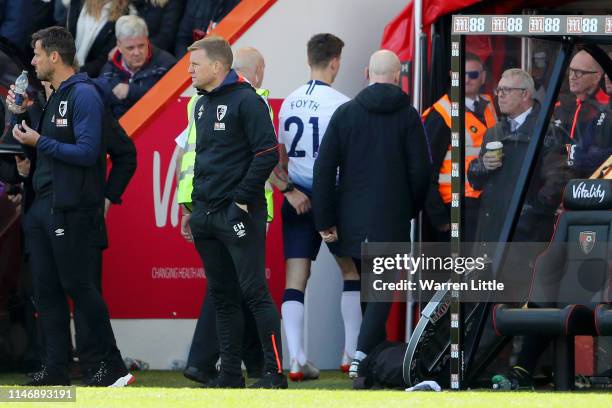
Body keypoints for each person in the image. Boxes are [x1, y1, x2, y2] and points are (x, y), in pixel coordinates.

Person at [8, 26, 133, 387]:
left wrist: (40, 142)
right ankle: (55, 367)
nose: (31, 61)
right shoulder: (52, 99)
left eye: (36, 54)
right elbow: (49, 154)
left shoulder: (85, 95)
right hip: (41, 208)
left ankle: (112, 367)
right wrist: (29, 159)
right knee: (45, 292)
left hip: (72, 210)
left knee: (79, 286)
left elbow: (87, 152)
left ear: (54, 56)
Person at [312, 50, 431, 379]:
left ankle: (365, 365)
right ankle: (364, 355)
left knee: (370, 288)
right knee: (382, 289)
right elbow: (421, 171)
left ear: (367, 72)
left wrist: (324, 221)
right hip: (391, 216)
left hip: (352, 218)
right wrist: (410, 208)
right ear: (397, 75)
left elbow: (324, 171)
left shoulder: (346, 113)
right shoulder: (409, 117)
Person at [184, 35, 285, 389]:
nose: (189, 72)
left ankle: (274, 373)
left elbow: (268, 153)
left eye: (195, 65)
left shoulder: (248, 101)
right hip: (206, 216)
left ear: (217, 66)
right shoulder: (200, 104)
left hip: (238, 214)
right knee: (223, 297)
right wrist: (195, 207)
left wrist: (241, 200)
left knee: (254, 293)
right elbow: (201, 159)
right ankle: (229, 374)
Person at [268, 33, 361, 381]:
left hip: (298, 198)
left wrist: (290, 189)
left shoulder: (289, 102)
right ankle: (350, 355)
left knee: (295, 280)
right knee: (351, 272)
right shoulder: (343, 103)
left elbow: (279, 160)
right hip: (334, 198)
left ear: (309, 60)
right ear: (335, 62)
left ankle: (296, 359)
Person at [423, 52, 497, 243]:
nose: (467, 79)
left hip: (487, 203)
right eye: (461, 74)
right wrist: (439, 216)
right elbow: (425, 169)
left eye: (472, 75)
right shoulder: (441, 114)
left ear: (483, 77)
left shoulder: (491, 105)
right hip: (455, 208)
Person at [99, 14, 176, 118]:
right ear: (119, 46)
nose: (137, 52)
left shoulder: (166, 64)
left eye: (141, 46)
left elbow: (171, 100)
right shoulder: (109, 70)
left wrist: (131, 91)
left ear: (147, 40)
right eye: (130, 48)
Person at [67, 0, 132, 77]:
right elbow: (67, 32)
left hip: (89, 76)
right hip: (66, 64)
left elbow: (104, 59)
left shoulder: (123, 14)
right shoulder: (78, 2)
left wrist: (75, 74)